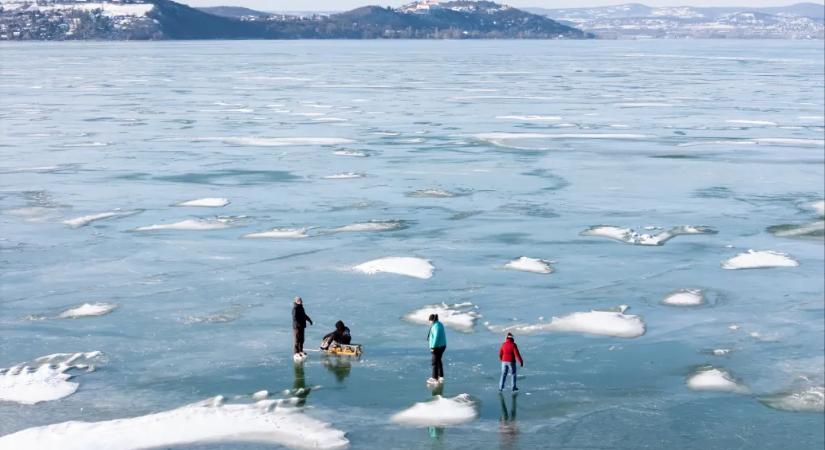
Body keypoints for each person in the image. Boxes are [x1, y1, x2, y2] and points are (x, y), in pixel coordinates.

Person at [427, 313, 447, 383]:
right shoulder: (439, 324)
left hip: (437, 347)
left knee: (434, 362)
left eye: (429, 320)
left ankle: (434, 378)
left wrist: (433, 347)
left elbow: (436, 337)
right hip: (442, 345)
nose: (429, 322)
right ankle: (440, 376)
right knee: (438, 361)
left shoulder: (436, 327)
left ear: (432, 320)